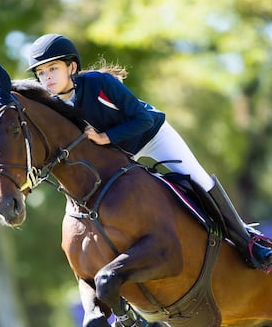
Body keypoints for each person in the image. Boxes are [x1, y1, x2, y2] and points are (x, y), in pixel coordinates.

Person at [26, 33, 272, 272]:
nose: (47, 77)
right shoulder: (54, 107)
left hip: (153, 137)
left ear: (71, 67)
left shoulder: (100, 83)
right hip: (121, 155)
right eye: (41, 73)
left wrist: (105, 137)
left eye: (53, 69)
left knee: (199, 179)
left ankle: (249, 243)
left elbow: (142, 119)